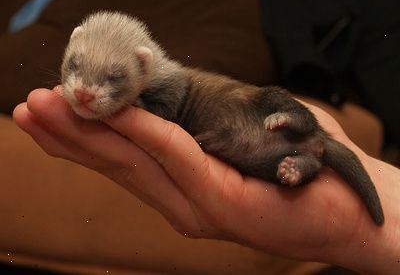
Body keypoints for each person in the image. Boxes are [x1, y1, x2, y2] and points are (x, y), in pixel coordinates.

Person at [13, 87, 400, 274]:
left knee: (277, 109)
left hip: (290, 129)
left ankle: (304, 149)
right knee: (269, 168)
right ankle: (304, 165)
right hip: (278, 152)